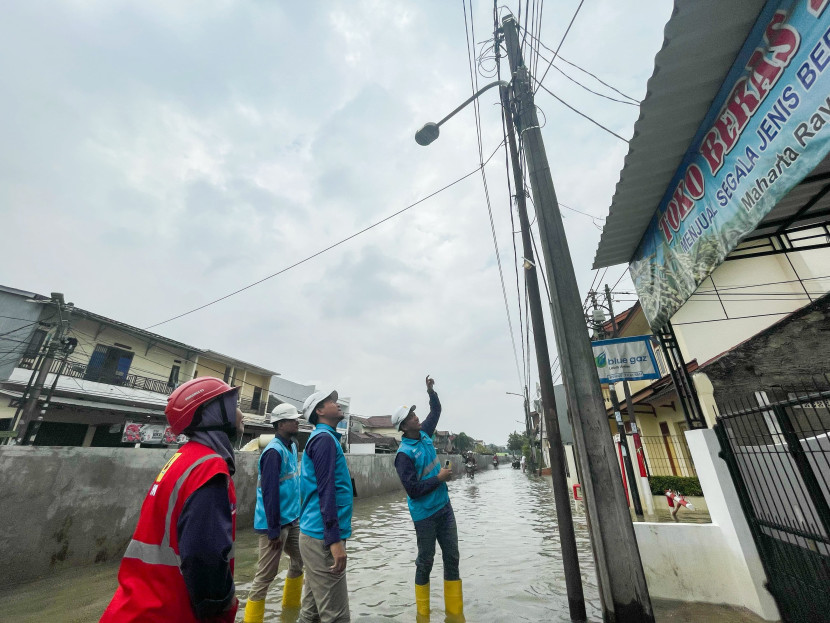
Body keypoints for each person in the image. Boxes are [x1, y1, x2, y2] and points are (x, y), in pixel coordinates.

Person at [100, 377, 243, 622]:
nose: (241, 413)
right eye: (235, 404)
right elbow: (204, 556)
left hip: (140, 607)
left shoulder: (185, 458)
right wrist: (221, 603)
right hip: (166, 611)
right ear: (213, 413)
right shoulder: (209, 468)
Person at [392, 376, 463, 620]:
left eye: (414, 414)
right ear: (404, 427)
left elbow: (436, 410)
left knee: (452, 557)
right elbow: (413, 490)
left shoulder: (424, 434)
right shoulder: (402, 456)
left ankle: (455, 614)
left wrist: (430, 391)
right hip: (425, 516)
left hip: (444, 507)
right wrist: (440, 478)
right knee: (425, 561)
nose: (416, 417)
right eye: (411, 417)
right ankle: (423, 615)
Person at [243, 403, 305, 623]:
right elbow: (269, 493)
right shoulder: (273, 452)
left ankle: (290, 613)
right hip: (275, 524)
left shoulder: (292, 446)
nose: (297, 421)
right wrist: (273, 530)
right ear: (280, 424)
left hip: (292, 519)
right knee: (265, 576)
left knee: (299, 562)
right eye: (293, 419)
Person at [298, 389, 353, 623]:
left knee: (311, 614)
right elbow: (326, 491)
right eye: (330, 401)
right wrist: (334, 540)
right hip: (322, 537)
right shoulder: (323, 440)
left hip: (315, 534)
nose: (337, 404)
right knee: (337, 617)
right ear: (319, 411)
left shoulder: (326, 438)